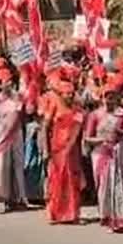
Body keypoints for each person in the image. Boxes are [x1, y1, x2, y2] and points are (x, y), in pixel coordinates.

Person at [85, 78, 123, 231]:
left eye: (113, 96)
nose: (110, 99)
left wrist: (120, 133)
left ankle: (122, 219)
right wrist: (101, 140)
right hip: (101, 154)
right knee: (103, 187)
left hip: (119, 152)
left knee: (121, 185)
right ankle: (106, 216)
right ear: (102, 97)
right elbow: (88, 137)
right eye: (107, 96)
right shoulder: (95, 115)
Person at [45, 80, 84, 224]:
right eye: (66, 94)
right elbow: (45, 126)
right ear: (60, 95)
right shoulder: (54, 106)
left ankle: (72, 213)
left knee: (72, 181)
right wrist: (45, 148)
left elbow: (78, 129)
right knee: (57, 180)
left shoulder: (78, 109)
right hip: (57, 149)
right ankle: (55, 213)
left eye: (71, 94)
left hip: (71, 150)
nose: (69, 96)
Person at [0, 68, 29, 213]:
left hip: (16, 135)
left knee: (17, 167)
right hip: (0, 137)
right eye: (6, 81)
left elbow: (22, 114)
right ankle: (3, 199)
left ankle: (19, 198)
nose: (9, 84)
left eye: (10, 81)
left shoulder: (17, 98)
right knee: (2, 168)